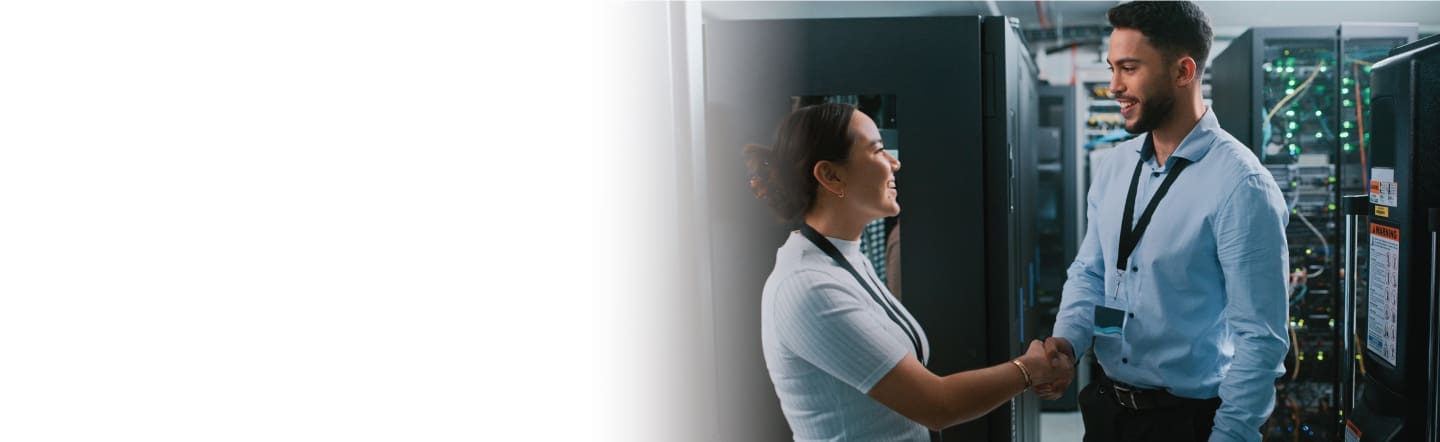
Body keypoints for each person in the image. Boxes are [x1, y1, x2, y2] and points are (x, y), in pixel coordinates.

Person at [744, 103, 1071, 440]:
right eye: (877, 150)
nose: (894, 162)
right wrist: (1029, 369)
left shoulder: (847, 258)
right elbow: (937, 405)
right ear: (830, 175)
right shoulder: (808, 287)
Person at [1040, 2, 1291, 441]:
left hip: (1187, 421)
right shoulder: (1115, 167)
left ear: (1182, 71)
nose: (1114, 86)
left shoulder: (1241, 184)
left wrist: (1229, 436)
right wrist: (1067, 343)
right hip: (1107, 410)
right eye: (1112, 69)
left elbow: (1261, 339)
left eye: (1129, 68)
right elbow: (1091, 272)